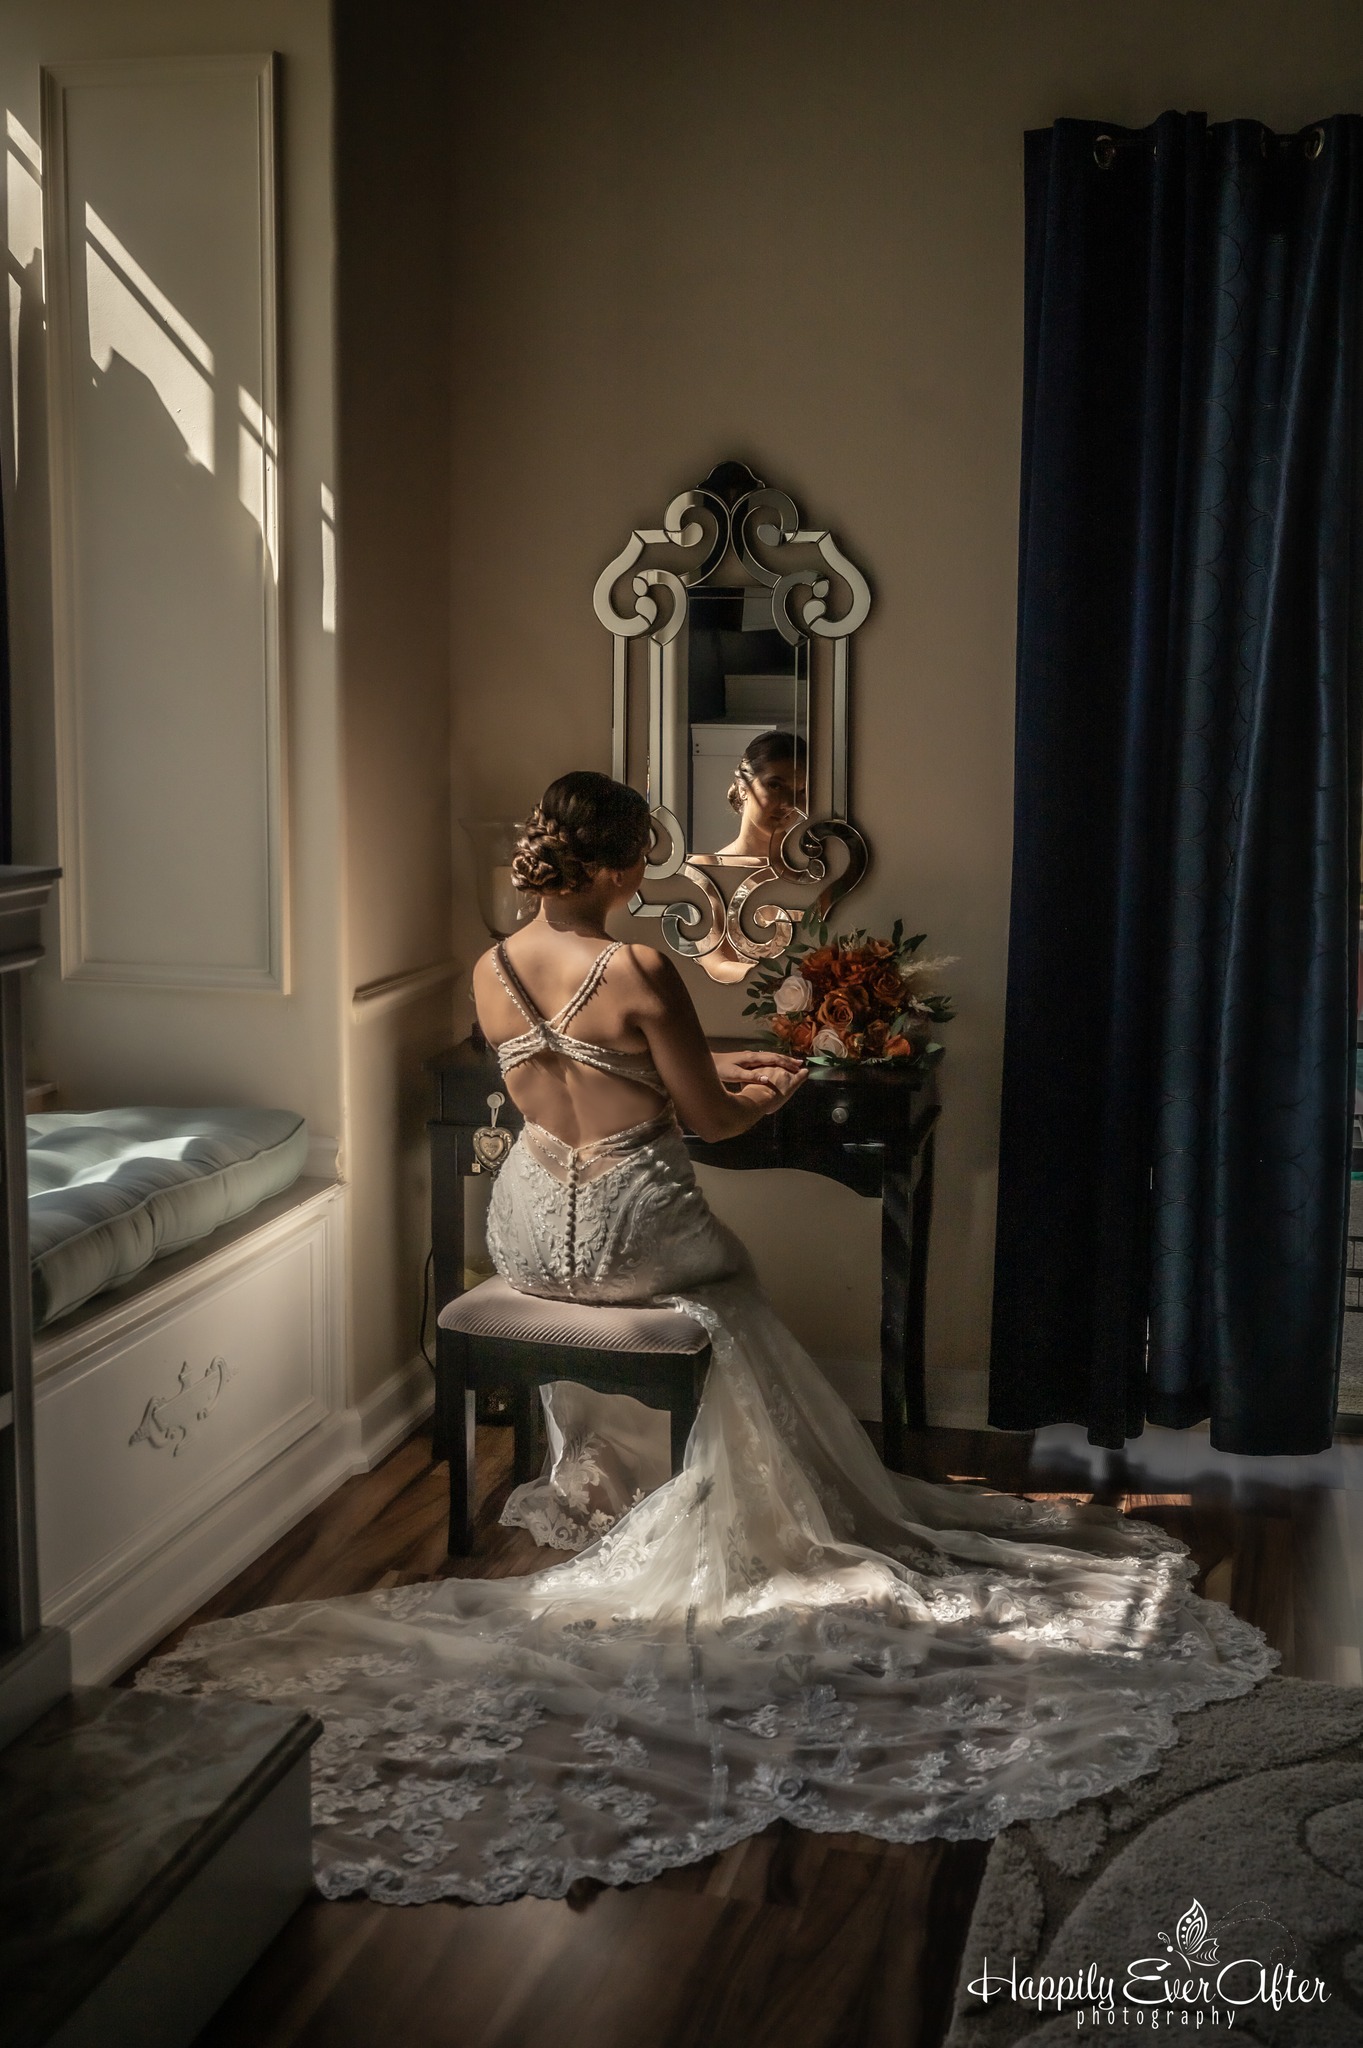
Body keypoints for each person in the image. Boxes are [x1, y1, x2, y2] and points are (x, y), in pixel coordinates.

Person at [139, 771, 1272, 1908]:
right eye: (640, 858)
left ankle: (616, 1468)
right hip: (634, 1229)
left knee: (683, 1264)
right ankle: (757, 1491)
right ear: (623, 865)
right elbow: (710, 1117)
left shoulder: (486, 965)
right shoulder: (637, 966)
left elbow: (595, 1073)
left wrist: (705, 1073)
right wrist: (766, 1087)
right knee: (729, 1287)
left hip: (528, 1228)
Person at [713, 728, 808, 861]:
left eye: (802, 791)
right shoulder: (706, 868)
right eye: (775, 785)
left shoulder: (819, 867)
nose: (789, 803)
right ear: (743, 788)